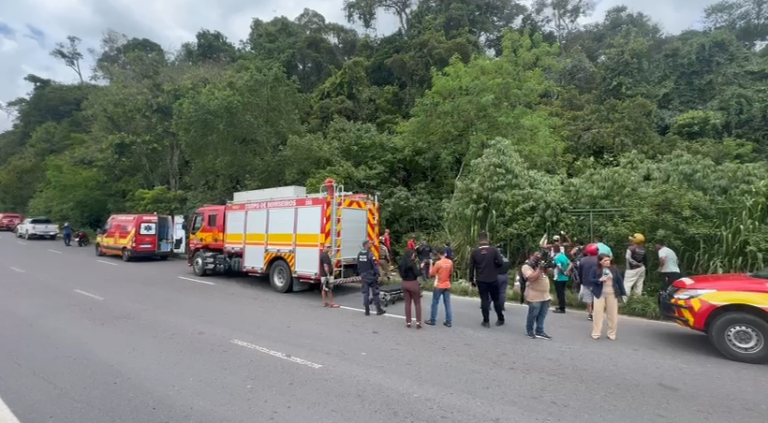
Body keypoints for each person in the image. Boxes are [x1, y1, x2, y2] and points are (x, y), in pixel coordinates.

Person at [468, 232, 504, 328]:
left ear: (479, 240)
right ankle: (500, 319)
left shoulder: (475, 252)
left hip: (481, 279)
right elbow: (500, 262)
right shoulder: (493, 250)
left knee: (484, 300)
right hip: (493, 278)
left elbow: (471, 267)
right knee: (496, 299)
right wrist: (495, 268)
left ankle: (486, 321)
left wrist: (471, 279)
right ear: (487, 239)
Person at [589, 254, 627, 340]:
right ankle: (596, 332)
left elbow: (619, 281)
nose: (607, 262)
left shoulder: (614, 269)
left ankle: (612, 333)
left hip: (612, 293)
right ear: (600, 261)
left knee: (612, 314)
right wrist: (599, 280)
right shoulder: (595, 269)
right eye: (605, 260)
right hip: (599, 294)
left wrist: (623, 293)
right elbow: (590, 279)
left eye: (608, 260)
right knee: (597, 314)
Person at [521, 251, 552, 340]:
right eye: (536, 255)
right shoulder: (526, 266)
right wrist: (540, 268)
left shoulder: (539, 264)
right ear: (531, 256)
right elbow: (532, 278)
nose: (539, 257)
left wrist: (548, 266)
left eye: (540, 255)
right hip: (534, 295)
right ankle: (529, 331)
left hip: (545, 295)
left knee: (542, 314)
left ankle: (540, 331)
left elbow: (550, 272)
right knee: (533, 314)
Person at [356, 240, 386, 316]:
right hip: (371, 276)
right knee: (375, 293)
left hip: (364, 276)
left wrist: (361, 274)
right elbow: (375, 266)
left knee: (365, 294)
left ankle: (367, 311)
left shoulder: (359, 254)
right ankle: (378, 310)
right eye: (369, 243)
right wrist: (378, 275)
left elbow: (358, 265)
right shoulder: (370, 254)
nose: (371, 244)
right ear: (366, 245)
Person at [426, 249, 454, 327]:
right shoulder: (450, 262)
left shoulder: (438, 263)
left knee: (435, 303)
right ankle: (448, 321)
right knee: (447, 303)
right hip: (447, 284)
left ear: (438, 254)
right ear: (445, 254)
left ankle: (432, 320)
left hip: (439, 285)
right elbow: (451, 273)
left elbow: (431, 274)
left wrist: (431, 264)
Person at [398, 249, 423, 328]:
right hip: (413, 283)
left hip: (404, 283)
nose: (414, 256)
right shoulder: (412, 264)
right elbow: (417, 273)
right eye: (413, 254)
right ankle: (418, 322)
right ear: (410, 255)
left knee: (407, 303)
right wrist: (421, 268)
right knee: (417, 303)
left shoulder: (401, 263)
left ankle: (408, 322)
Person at [578, 243, 600, 321]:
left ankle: (590, 314)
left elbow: (579, 272)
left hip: (586, 282)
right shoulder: (600, 260)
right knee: (596, 298)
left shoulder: (583, 260)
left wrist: (581, 281)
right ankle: (596, 313)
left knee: (588, 299)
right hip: (597, 283)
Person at [624, 233, 647, 297]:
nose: (630, 241)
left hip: (631, 270)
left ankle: (625, 301)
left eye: (632, 240)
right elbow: (644, 260)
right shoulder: (643, 249)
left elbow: (628, 258)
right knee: (639, 285)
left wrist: (635, 264)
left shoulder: (631, 248)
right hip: (642, 268)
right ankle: (637, 301)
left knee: (627, 285)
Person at [552, 244, 572, 314]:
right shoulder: (563, 256)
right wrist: (567, 271)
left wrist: (563, 272)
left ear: (554, 250)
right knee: (562, 293)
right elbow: (570, 264)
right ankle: (560, 305)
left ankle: (562, 308)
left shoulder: (556, 258)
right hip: (565, 278)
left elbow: (559, 267)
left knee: (560, 293)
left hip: (559, 277)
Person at [496, 244, 511, 311]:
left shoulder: (495, 260)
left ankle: (487, 305)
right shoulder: (506, 259)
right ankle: (502, 306)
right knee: (502, 292)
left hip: (497, 276)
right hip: (505, 275)